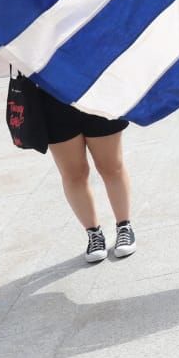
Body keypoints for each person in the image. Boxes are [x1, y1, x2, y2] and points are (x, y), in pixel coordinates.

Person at [27, 81, 133, 263]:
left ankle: (124, 226)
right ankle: (94, 233)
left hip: (98, 87)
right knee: (73, 174)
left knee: (111, 166)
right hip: (52, 96)